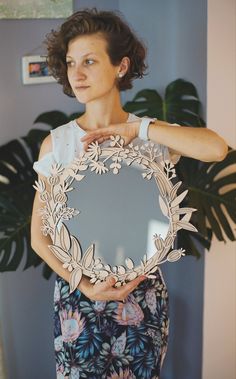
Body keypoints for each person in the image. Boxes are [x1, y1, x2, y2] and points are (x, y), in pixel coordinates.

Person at [31, 8, 228, 379]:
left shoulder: (150, 135)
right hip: (78, 300)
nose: (77, 73)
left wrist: (141, 131)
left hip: (144, 297)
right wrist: (88, 288)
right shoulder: (56, 144)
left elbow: (216, 149)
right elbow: (38, 236)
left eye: (89, 60)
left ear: (121, 66)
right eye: (71, 62)